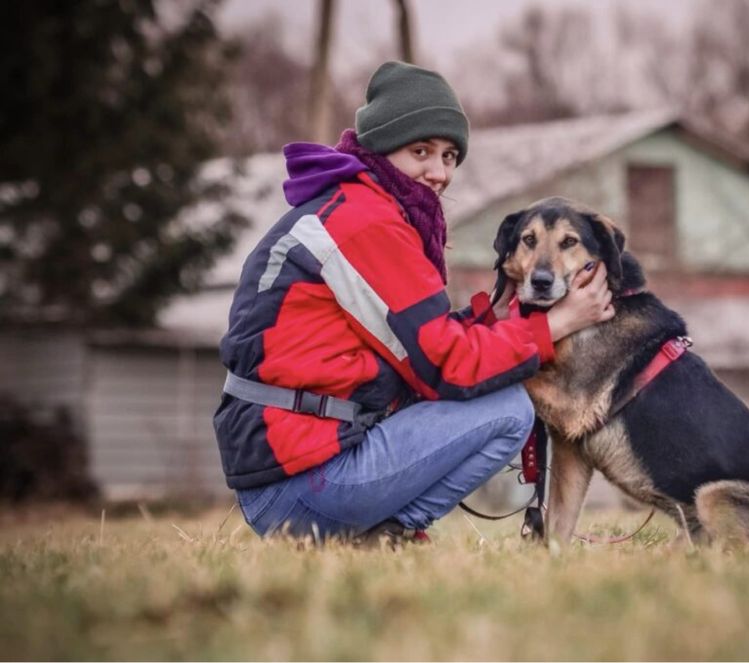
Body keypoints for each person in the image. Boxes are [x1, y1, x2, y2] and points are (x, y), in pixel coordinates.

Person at [214, 61, 614, 545]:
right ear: (381, 148)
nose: (439, 172)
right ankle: (386, 532)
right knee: (509, 411)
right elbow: (446, 366)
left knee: (493, 395)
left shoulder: (353, 206)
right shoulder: (368, 224)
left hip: (287, 473)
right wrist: (556, 324)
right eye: (421, 151)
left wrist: (497, 311)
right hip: (299, 486)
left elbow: (423, 341)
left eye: (449, 156)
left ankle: (375, 535)